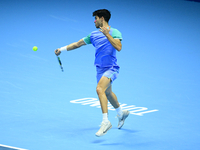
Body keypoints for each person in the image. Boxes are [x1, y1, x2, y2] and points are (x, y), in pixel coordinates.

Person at [55, 9, 129, 137]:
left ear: (102, 18)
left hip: (111, 68)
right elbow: (78, 44)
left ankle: (105, 122)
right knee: (108, 93)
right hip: (99, 69)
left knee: (99, 89)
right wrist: (61, 49)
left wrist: (107, 34)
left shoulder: (114, 32)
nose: (94, 21)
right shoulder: (93, 35)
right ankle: (121, 113)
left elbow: (119, 47)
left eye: (95, 18)